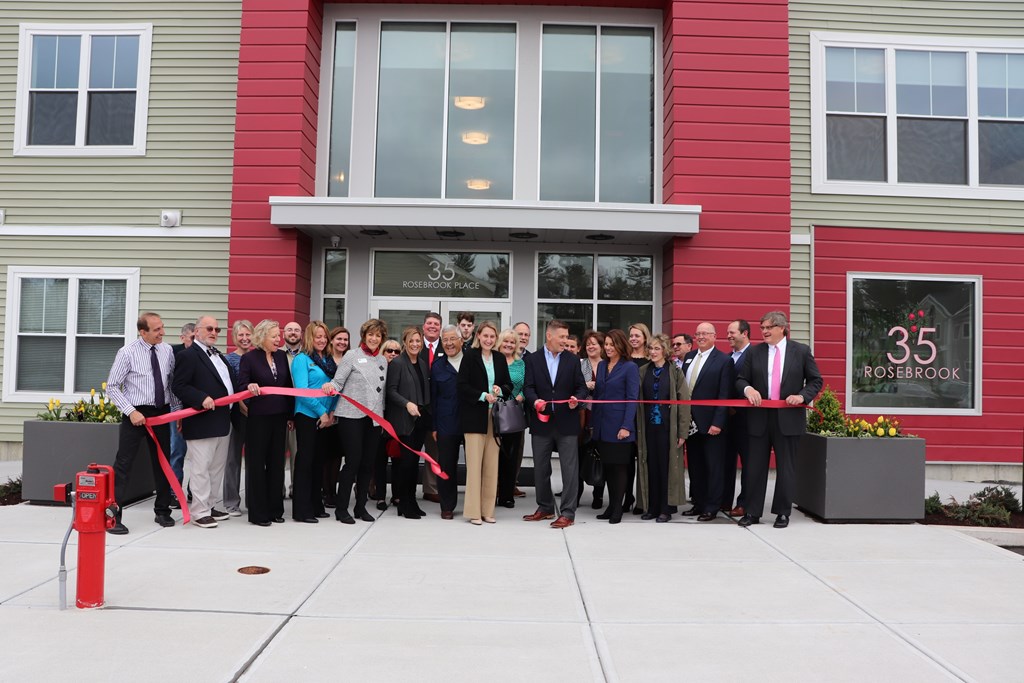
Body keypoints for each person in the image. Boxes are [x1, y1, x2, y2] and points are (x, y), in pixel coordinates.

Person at [736, 311, 822, 529]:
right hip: (758, 418)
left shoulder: (800, 351)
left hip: (789, 418)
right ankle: (752, 512)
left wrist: (802, 396)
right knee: (754, 467)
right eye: (762, 327)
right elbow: (740, 379)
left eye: (768, 327)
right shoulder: (754, 352)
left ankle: (782, 513)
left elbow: (815, 380)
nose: (764, 331)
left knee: (786, 468)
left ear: (782, 328)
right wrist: (748, 389)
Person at [105, 312, 180, 534]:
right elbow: (112, 386)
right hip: (135, 414)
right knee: (124, 464)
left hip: (161, 413)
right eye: (157, 330)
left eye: (162, 328)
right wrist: (131, 411)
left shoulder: (167, 351)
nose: (162, 333)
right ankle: (113, 516)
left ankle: (163, 511)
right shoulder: (127, 352)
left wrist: (175, 413)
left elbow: (170, 384)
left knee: (163, 462)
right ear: (143, 332)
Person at [171, 315, 237, 529]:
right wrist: (201, 398)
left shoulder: (218, 355)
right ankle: (199, 511)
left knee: (216, 468)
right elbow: (178, 386)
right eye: (209, 328)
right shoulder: (188, 356)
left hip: (222, 419)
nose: (214, 333)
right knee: (201, 468)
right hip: (201, 420)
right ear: (196, 331)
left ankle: (210, 504)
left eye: (217, 329)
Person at [522, 319, 587, 528]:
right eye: (562, 337)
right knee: (540, 468)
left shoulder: (572, 360)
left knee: (569, 470)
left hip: (567, 423)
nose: (565, 341)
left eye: (567, 337)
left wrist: (576, 399)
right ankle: (545, 507)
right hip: (541, 423)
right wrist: (535, 401)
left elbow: (581, 388)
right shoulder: (533, 359)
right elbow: (528, 387)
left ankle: (568, 512)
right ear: (549, 336)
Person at [323, 318, 388, 524]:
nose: (374, 338)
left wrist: (383, 419)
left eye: (378, 335)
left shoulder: (383, 360)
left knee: (368, 464)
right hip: (351, 416)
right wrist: (329, 386)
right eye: (370, 334)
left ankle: (360, 507)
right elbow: (338, 381)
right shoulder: (352, 355)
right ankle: (342, 509)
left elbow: (383, 392)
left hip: (374, 418)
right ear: (364, 336)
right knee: (353, 461)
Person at [239, 319, 294, 527]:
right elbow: (242, 383)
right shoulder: (250, 358)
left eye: (278, 336)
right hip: (259, 418)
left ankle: (275, 510)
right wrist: (249, 385)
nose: (278, 340)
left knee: (276, 464)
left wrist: (290, 416)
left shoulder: (281, 356)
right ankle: (258, 513)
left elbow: (287, 385)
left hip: (279, 417)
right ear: (262, 337)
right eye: (274, 337)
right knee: (257, 464)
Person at [458, 321, 512, 525]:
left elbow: (509, 385)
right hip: (474, 417)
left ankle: (488, 510)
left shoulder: (499, 358)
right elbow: (461, 386)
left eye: (492, 336)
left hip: (495, 417)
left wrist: (500, 390)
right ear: (478, 336)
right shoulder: (470, 357)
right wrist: (482, 395)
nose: (489, 340)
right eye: (485, 336)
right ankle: (473, 512)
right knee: (474, 466)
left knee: (492, 465)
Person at [682, 322, 735, 521]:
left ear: (714, 336)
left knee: (713, 466)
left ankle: (712, 507)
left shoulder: (723, 361)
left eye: (705, 333)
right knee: (695, 466)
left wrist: (718, 423)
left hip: (712, 423)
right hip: (690, 423)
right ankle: (699, 503)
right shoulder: (688, 357)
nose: (701, 337)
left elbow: (724, 395)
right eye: (698, 333)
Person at [636, 334, 691, 522]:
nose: (652, 352)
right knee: (650, 465)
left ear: (665, 351)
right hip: (649, 427)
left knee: (667, 467)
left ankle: (665, 508)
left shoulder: (675, 371)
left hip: (669, 428)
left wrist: (683, 432)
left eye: (657, 348)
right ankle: (651, 507)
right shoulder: (643, 371)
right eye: (650, 348)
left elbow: (684, 402)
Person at [591, 329, 640, 524]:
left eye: (612, 344)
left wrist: (627, 425)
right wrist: (594, 425)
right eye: (607, 344)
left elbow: (632, 398)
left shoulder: (630, 367)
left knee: (619, 468)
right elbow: (598, 397)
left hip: (620, 427)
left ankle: (618, 508)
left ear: (621, 345)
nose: (608, 348)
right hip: (603, 425)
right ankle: (611, 506)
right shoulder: (602, 365)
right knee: (608, 468)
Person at [291, 321, 337, 523]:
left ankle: (316, 505)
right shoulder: (302, 359)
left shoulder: (327, 360)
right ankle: (302, 510)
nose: (322, 340)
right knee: (305, 463)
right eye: (318, 336)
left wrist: (331, 411)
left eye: (324, 336)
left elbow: (334, 387)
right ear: (310, 337)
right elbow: (302, 391)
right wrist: (321, 412)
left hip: (325, 418)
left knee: (319, 463)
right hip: (308, 416)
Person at [386, 327, 431, 520]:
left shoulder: (421, 363)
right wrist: (407, 404)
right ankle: (403, 503)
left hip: (420, 419)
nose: (415, 344)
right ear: (405, 342)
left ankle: (411, 501)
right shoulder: (397, 363)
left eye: (418, 341)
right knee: (406, 464)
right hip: (405, 420)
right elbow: (391, 391)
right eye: (411, 341)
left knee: (414, 464)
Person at [431, 325, 464, 519]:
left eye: (453, 339)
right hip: (445, 422)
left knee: (476, 464)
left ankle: (475, 504)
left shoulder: (472, 361)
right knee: (446, 465)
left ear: (461, 340)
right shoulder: (437, 366)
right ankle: (447, 506)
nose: (449, 343)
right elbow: (433, 399)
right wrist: (434, 426)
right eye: (446, 340)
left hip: (470, 422)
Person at [223, 319, 253, 517]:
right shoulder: (228, 360)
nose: (244, 338)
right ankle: (231, 502)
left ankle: (253, 500)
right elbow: (230, 388)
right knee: (232, 459)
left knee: (254, 459)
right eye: (240, 335)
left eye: (247, 334)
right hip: (235, 414)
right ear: (235, 337)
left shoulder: (258, 357)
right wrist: (241, 406)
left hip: (256, 415)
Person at [495, 327, 526, 508]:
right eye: (506, 341)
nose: (508, 344)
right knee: (494, 456)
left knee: (510, 456)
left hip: (513, 412)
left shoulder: (520, 363)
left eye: (512, 342)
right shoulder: (493, 360)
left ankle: (507, 495)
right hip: (493, 412)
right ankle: (492, 493)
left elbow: (527, 384)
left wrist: (520, 396)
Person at [725, 319, 752, 517]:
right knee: (726, 461)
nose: (728, 336)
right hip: (726, 420)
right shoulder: (728, 357)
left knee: (748, 464)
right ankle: (724, 501)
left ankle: (744, 502)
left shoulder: (755, 356)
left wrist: (736, 408)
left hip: (746, 420)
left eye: (732, 332)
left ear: (745, 333)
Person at [372, 338, 402, 511]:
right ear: (383, 352)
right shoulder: (377, 370)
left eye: (397, 351)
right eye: (389, 350)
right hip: (378, 421)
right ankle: (380, 496)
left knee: (397, 460)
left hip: (397, 423)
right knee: (379, 461)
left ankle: (397, 495)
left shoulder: (402, 370)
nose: (393, 354)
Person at [578, 329, 606, 509]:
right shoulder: (580, 364)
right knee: (579, 456)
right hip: (582, 416)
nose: (590, 347)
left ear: (602, 347)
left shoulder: (608, 365)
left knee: (600, 457)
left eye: (594, 344)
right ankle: (576, 494)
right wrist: (584, 385)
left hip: (602, 417)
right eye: (588, 344)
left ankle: (598, 496)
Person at [322, 325, 350, 506]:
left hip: (344, 414)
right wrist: (328, 412)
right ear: (331, 340)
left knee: (338, 455)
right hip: (326, 413)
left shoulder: (350, 359)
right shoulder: (324, 360)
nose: (342, 342)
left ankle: (334, 489)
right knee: (326, 455)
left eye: (345, 340)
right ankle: (326, 492)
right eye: (339, 339)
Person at [168, 322, 196, 492]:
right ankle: (174, 491)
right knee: (177, 450)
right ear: (183, 337)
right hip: (177, 408)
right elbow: (171, 384)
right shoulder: (173, 354)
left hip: (197, 408)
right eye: (192, 338)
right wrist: (178, 411)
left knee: (199, 455)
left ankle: (194, 490)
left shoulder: (203, 354)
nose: (195, 341)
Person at [420, 312, 443, 504]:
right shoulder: (414, 345)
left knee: (434, 451)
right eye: (429, 323)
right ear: (423, 327)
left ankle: (431, 488)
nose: (432, 326)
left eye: (436, 324)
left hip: (437, 409)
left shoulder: (447, 347)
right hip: (415, 409)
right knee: (409, 451)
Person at [282, 321, 303, 498]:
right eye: (290, 330)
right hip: (280, 410)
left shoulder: (307, 354)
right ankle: (278, 488)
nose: (293, 333)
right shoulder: (276, 353)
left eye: (296, 330)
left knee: (297, 453)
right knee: (277, 454)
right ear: (284, 333)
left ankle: (296, 488)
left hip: (300, 410)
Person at [511, 320, 533, 497]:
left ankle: (512, 483)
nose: (523, 337)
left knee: (517, 449)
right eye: (520, 334)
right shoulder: (502, 354)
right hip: (501, 410)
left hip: (521, 412)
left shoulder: (531, 358)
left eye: (526, 334)